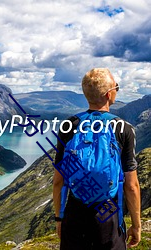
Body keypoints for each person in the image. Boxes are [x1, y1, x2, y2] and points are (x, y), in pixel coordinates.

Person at [53, 68, 141, 250]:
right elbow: (131, 185)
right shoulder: (123, 129)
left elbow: (58, 181)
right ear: (109, 94)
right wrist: (136, 225)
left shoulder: (69, 125)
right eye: (117, 87)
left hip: (75, 212)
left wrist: (59, 218)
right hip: (108, 213)